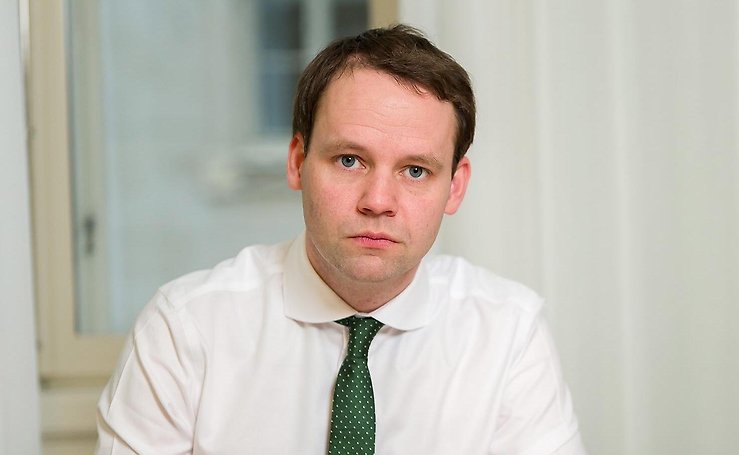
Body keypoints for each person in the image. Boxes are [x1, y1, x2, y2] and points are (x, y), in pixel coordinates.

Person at [96, 24, 587, 454]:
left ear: (455, 187)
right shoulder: (185, 330)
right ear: (297, 162)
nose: (378, 201)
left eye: (416, 170)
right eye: (350, 160)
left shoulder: (508, 333)